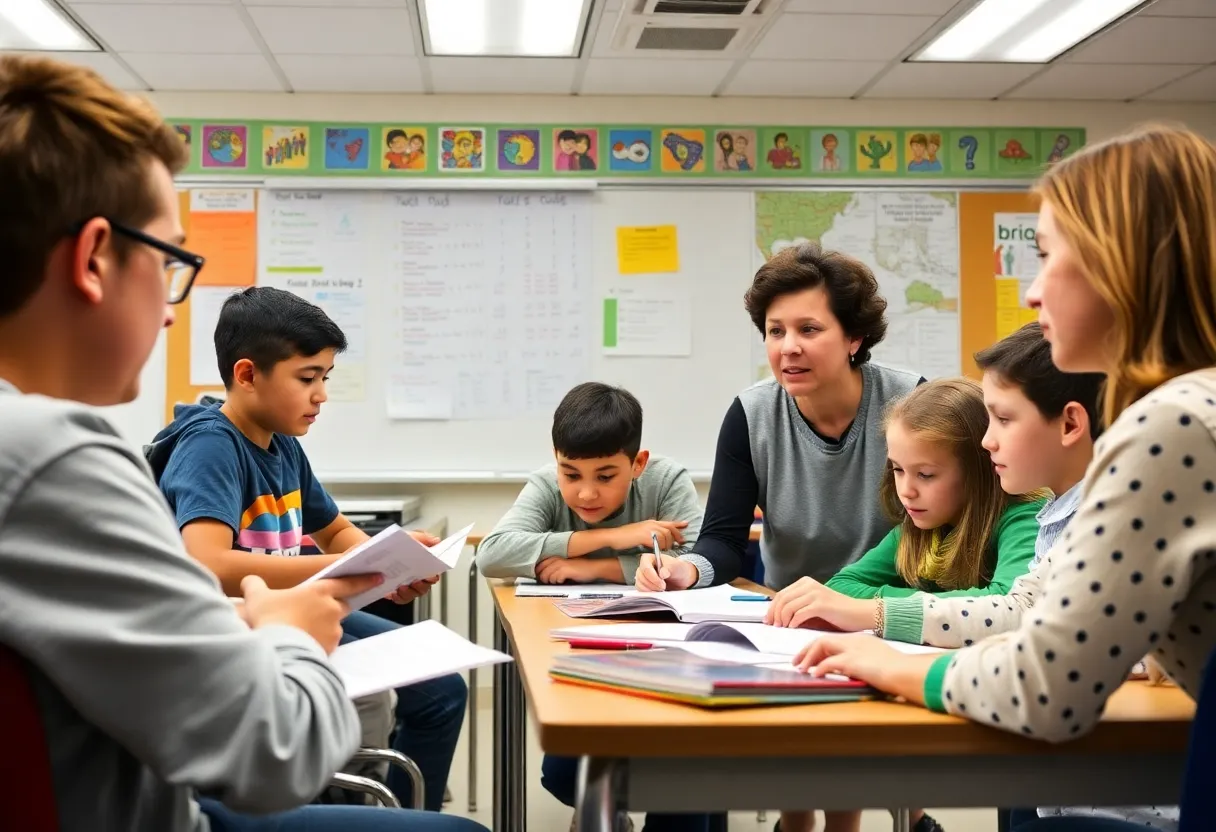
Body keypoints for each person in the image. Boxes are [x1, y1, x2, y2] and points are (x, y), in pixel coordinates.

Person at [0, 53, 485, 832]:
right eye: (169, 261)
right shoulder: (54, 457)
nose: (169, 306)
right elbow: (275, 751)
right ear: (94, 258)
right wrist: (288, 633)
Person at [790, 124, 1216, 832]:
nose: (1029, 292)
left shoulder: (1172, 426)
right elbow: (1032, 608)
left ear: (1124, 264)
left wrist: (888, 666)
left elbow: (1046, 689)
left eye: (1048, 257)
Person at [634, 243, 925, 832]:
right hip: (788, 616)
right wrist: (686, 570)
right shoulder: (751, 413)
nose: (787, 347)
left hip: (888, 609)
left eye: (809, 328)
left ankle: (906, 819)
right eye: (775, 331)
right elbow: (721, 538)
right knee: (800, 778)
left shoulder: (911, 402)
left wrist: (864, 608)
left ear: (853, 339)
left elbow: (942, 529)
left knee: (858, 773)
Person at [148, 286, 467, 812]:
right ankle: (355, 809)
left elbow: (338, 533)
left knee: (440, 688)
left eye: (325, 378)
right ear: (248, 375)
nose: (321, 395)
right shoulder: (211, 444)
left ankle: (404, 817)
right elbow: (207, 564)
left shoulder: (283, 444)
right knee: (426, 690)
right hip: (232, 624)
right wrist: (347, 568)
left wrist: (386, 565)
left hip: (289, 608)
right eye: (307, 378)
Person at [477, 382, 711, 832]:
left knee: (681, 781)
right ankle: (609, 809)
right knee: (564, 777)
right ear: (557, 460)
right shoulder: (547, 482)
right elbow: (492, 554)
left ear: (637, 464)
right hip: (580, 648)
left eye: (605, 477)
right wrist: (616, 537)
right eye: (572, 475)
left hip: (665, 650)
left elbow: (701, 557)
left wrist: (592, 569)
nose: (585, 494)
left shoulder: (666, 479)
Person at [764, 377, 1043, 632]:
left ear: (978, 470)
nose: (906, 491)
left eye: (925, 475)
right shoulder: (921, 527)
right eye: (898, 470)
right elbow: (841, 588)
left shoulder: (1026, 517)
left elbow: (1006, 605)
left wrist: (880, 609)